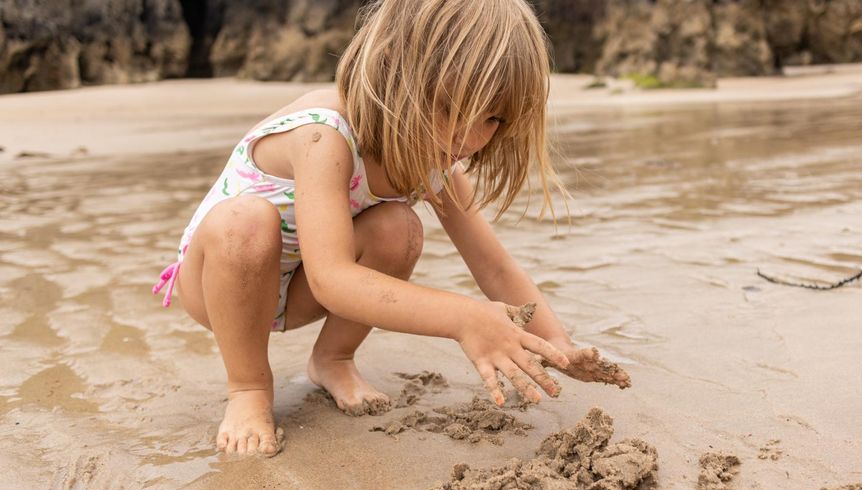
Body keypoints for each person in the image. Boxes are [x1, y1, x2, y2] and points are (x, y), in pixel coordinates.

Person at [153, 0, 591, 457]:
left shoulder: (434, 158)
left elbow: (495, 267)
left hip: (301, 291)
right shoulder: (325, 134)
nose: (470, 137)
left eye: (491, 118)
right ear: (394, 70)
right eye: (449, 107)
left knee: (399, 228)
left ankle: (333, 358)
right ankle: (248, 387)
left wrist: (558, 345)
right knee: (244, 222)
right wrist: (465, 318)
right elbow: (333, 278)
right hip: (222, 282)